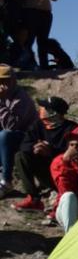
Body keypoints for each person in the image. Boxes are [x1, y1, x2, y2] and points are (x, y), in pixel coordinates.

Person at [11, 96, 75, 211]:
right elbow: (24, 144)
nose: (40, 109)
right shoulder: (38, 125)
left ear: (52, 113)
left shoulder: (71, 129)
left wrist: (51, 151)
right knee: (20, 156)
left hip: (61, 174)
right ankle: (33, 198)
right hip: (43, 169)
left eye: (44, 107)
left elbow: (74, 156)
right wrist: (34, 148)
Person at [0, 64, 38, 197]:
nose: (3, 84)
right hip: (10, 137)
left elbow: (11, 126)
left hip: (28, 138)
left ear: (13, 80)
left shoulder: (20, 98)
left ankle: (6, 181)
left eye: (5, 80)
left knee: (5, 135)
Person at [17, 0, 59, 70]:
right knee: (29, 40)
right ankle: (28, 64)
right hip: (30, 13)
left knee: (43, 41)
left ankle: (44, 66)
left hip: (46, 15)